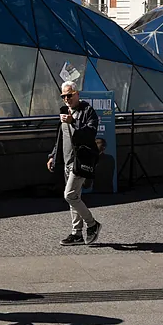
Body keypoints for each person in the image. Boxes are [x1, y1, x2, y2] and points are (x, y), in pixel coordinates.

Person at [47, 81, 102, 247]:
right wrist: (53, 156)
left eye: (69, 95)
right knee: (74, 197)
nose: (66, 99)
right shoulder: (64, 112)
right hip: (67, 160)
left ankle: (92, 224)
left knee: (69, 195)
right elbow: (61, 137)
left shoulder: (87, 111)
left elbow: (90, 133)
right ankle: (76, 233)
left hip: (81, 160)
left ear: (77, 94)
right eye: (63, 96)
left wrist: (73, 122)